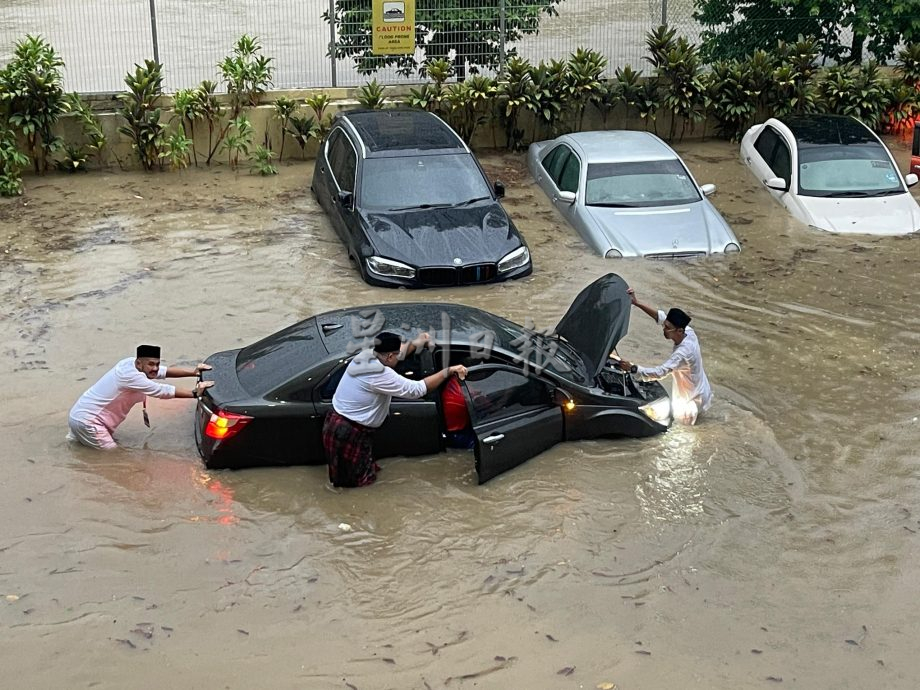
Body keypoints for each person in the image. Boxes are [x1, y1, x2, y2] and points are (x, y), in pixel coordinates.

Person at [323, 331, 468, 488]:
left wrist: (416, 342)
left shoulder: (366, 356)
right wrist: (448, 371)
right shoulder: (379, 374)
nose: (399, 357)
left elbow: (399, 354)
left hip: (342, 425)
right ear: (390, 356)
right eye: (396, 354)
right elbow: (417, 389)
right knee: (354, 486)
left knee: (358, 476)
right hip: (348, 432)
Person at [67, 344, 214, 450]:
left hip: (79, 415)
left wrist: (194, 372)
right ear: (139, 363)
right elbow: (161, 390)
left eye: (157, 363)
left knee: (75, 450)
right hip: (90, 423)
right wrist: (194, 393)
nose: (155, 368)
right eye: (151, 364)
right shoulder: (130, 376)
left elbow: (163, 372)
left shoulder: (129, 363)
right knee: (114, 459)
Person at [615, 288, 712, 425]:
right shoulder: (689, 332)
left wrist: (633, 368)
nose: (664, 330)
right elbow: (660, 317)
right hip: (702, 389)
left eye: (667, 328)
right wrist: (637, 303)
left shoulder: (682, 354)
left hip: (690, 402)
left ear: (679, 331)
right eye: (665, 326)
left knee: (680, 433)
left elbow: (661, 372)